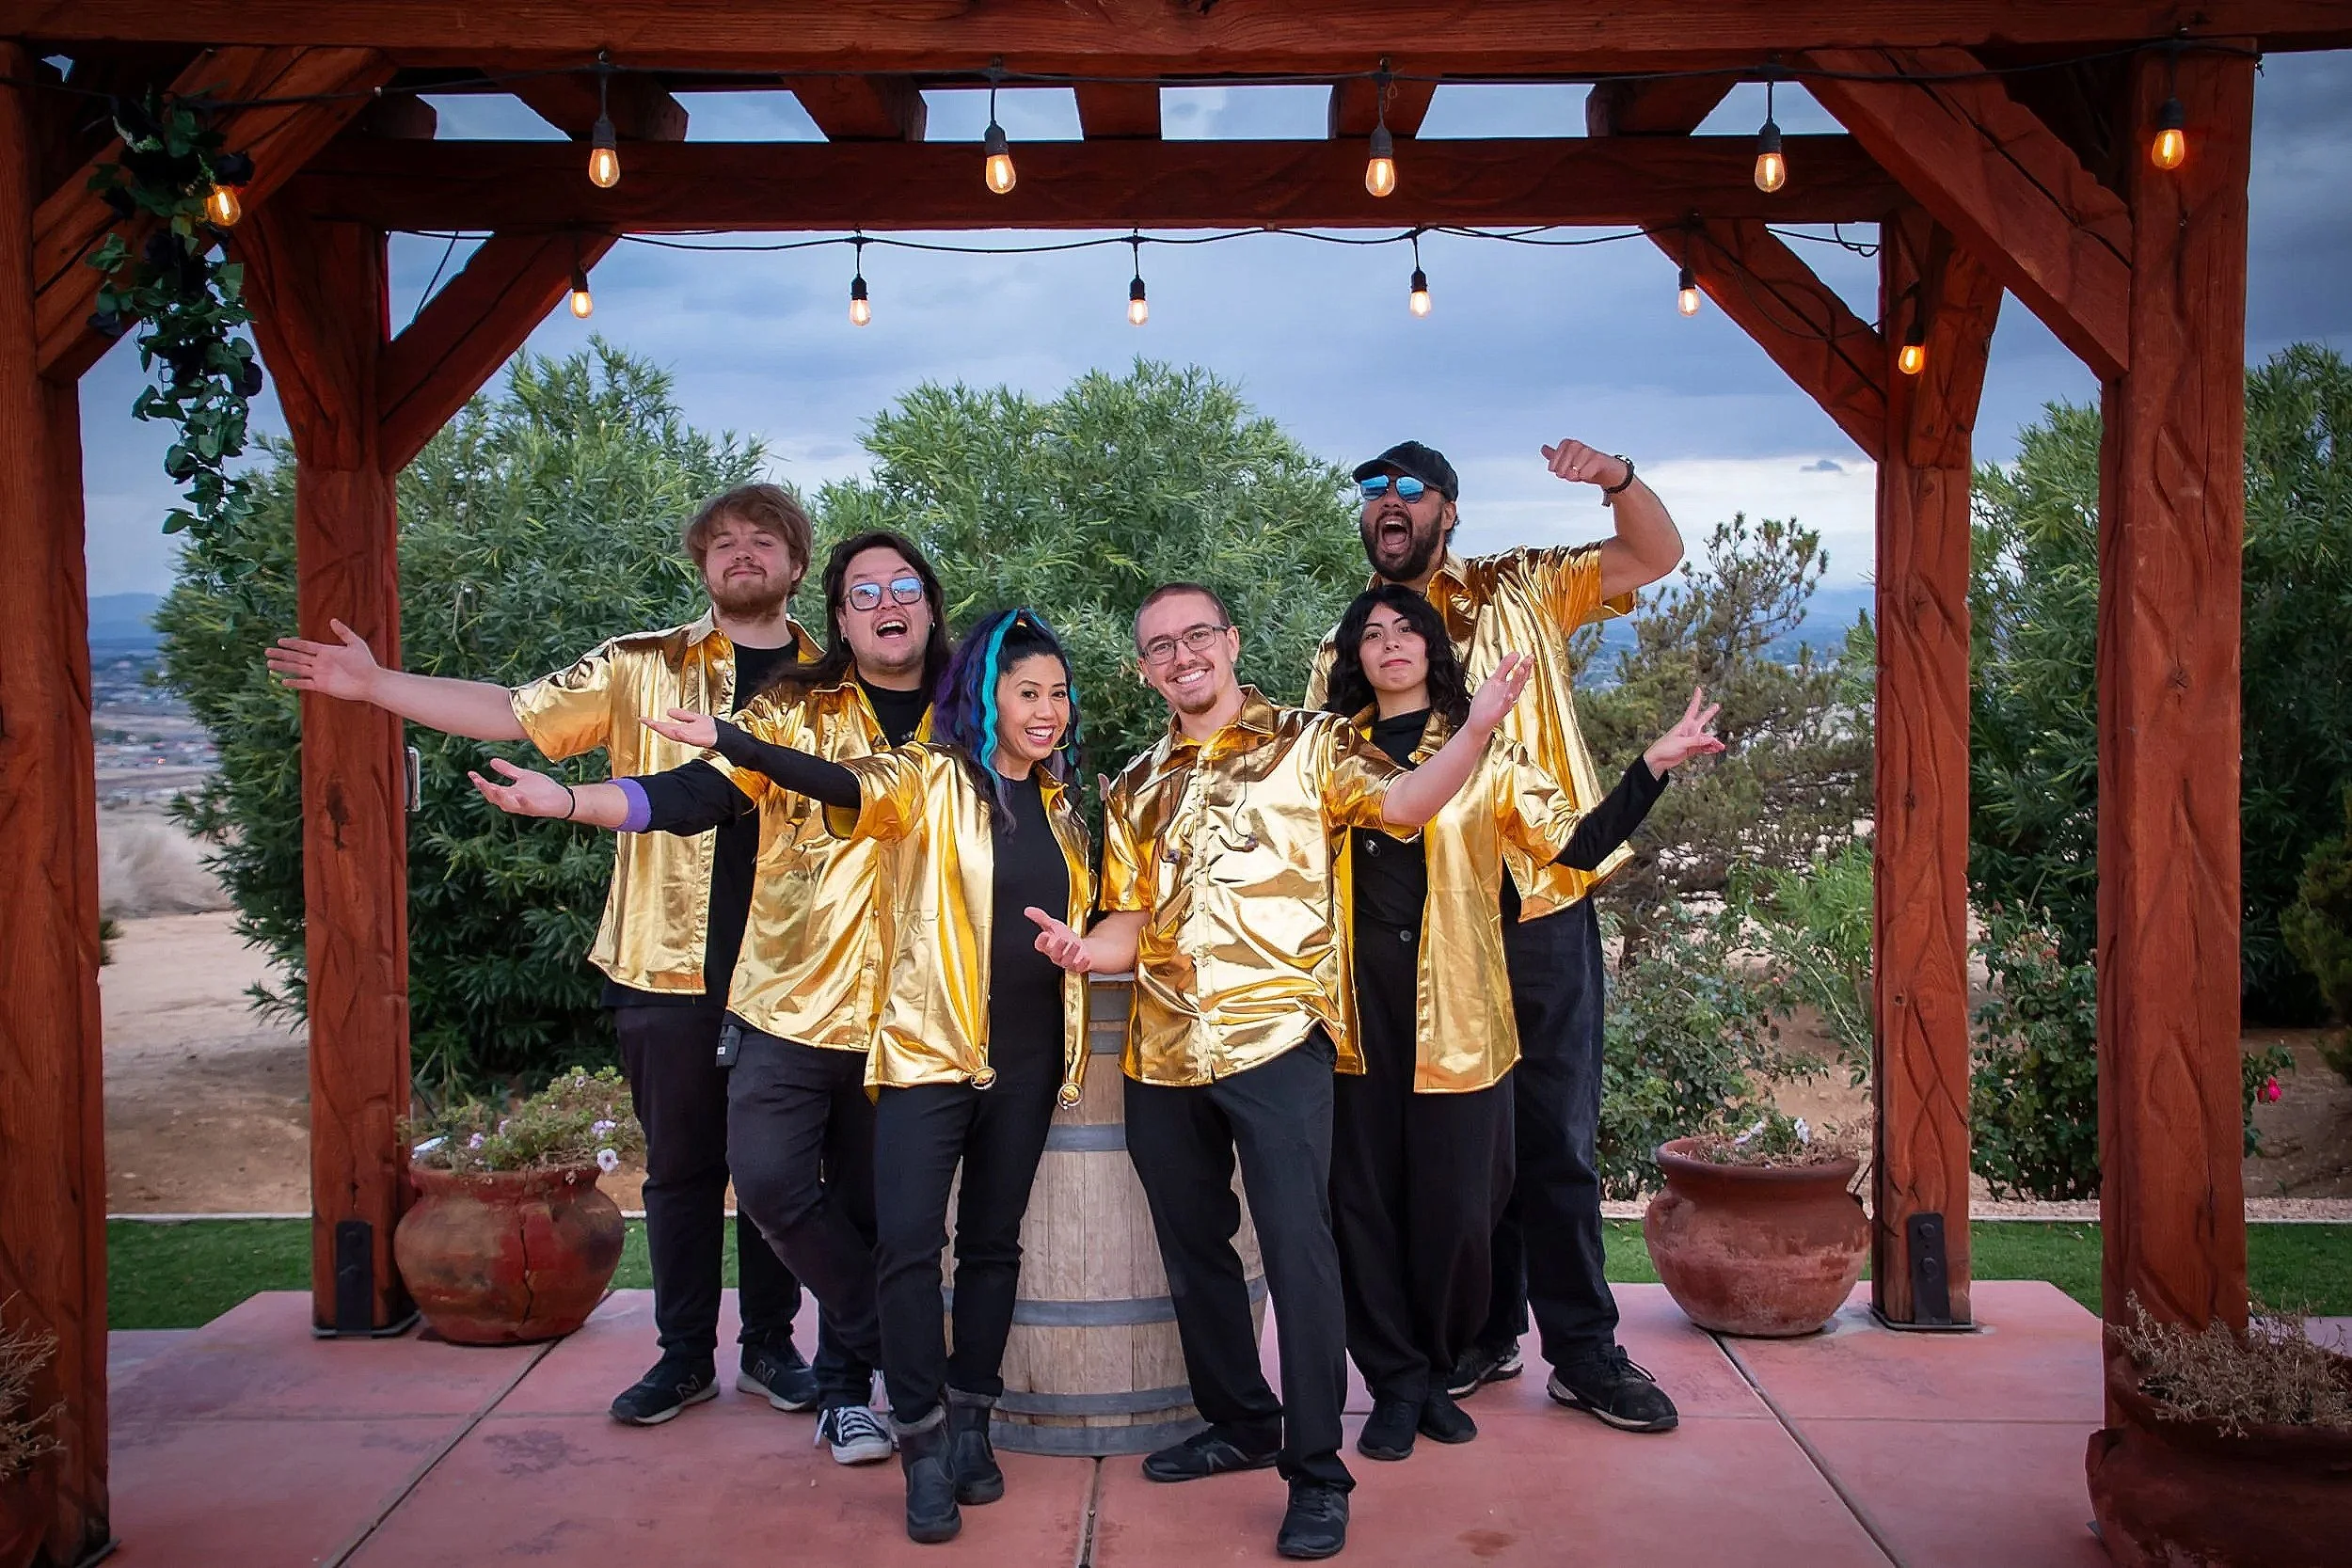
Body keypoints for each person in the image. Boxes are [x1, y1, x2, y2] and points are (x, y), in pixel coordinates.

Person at [265, 483, 822, 1427]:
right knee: (682, 1172)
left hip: (799, 969)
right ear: (700, 564)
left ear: (796, 564)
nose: (741, 552)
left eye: (762, 539)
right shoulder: (639, 664)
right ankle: (684, 1356)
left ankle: (773, 1348)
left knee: (779, 1173)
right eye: (722, 540)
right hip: (662, 964)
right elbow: (512, 711)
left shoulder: (833, 676)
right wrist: (374, 685)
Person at [1027, 583, 1533, 1562]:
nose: (1182, 655)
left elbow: (1402, 804)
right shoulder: (1133, 784)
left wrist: (1473, 729)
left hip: (1277, 1039)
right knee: (1193, 1248)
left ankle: (1316, 1471)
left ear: (1231, 642)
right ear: (1144, 670)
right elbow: (1130, 918)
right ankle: (1242, 1418)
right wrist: (1086, 952)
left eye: (1197, 635)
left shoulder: (1312, 742)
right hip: (1164, 1050)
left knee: (1301, 1252)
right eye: (1160, 646)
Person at [464, 529, 954, 1468]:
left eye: (903, 586)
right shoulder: (792, 706)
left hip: (917, 1009)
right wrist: (571, 801)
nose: (886, 603)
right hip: (792, 999)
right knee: (769, 1181)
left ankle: (846, 1393)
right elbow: (698, 792)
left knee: (868, 1207)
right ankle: (902, 1345)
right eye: (864, 591)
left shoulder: (968, 711)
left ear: (930, 605)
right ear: (840, 618)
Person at [652, 608, 1096, 1545]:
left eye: (1058, 692)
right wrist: (735, 742)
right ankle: (923, 1446)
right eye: (1027, 691)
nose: (1047, 709)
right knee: (906, 1248)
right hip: (927, 1057)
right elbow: (838, 780)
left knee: (992, 1245)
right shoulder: (928, 778)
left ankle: (971, 1424)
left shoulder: (1063, 808)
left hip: (1025, 1065)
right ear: (986, 697)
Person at [1306, 437, 1689, 1434]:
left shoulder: (1520, 585)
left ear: (1448, 508)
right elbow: (1318, 800)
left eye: (1409, 488)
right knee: (1452, 1151)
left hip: (1539, 899)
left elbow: (1655, 555)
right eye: (1372, 489)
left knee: (1552, 1136)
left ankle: (1583, 1349)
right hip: (1412, 937)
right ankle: (1479, 1332)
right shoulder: (1346, 643)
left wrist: (1615, 479)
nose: (1388, 501)